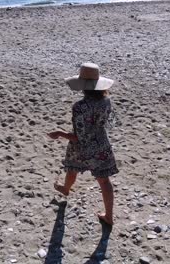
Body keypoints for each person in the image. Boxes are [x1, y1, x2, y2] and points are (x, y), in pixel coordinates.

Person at [48, 62, 119, 226]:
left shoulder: (79, 107)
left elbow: (79, 137)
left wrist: (59, 133)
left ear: (83, 86)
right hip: (101, 144)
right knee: (104, 181)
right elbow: (112, 123)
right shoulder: (107, 102)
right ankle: (109, 216)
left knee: (72, 168)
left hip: (81, 147)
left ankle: (66, 188)